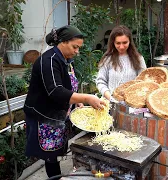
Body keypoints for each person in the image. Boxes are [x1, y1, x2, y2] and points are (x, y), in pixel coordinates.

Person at [23, 25, 106, 179]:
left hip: (58, 113)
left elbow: (68, 85)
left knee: (54, 151)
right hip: (45, 115)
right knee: (50, 155)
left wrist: (76, 102)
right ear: (63, 42)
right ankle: (55, 177)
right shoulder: (48, 61)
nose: (77, 51)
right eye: (75, 47)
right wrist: (86, 98)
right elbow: (55, 91)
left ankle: (57, 175)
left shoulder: (66, 59)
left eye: (78, 48)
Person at [96, 25, 147, 100]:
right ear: (113, 43)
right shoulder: (107, 59)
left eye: (125, 42)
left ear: (130, 41)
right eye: (118, 43)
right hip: (110, 104)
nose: (121, 46)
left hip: (132, 106)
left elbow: (143, 82)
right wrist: (110, 97)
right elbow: (100, 82)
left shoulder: (138, 59)